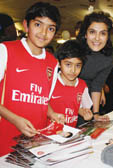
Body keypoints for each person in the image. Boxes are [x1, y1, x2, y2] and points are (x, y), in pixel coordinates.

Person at [0, 2, 65, 156]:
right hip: (5, 136)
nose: (43, 33)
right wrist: (15, 119)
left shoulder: (53, 63)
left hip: (35, 141)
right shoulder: (6, 50)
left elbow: (43, 100)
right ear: (26, 25)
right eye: (38, 24)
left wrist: (52, 114)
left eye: (50, 28)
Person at [77, 11, 113, 121]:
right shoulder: (73, 50)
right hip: (62, 98)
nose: (97, 38)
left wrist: (96, 113)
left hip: (86, 101)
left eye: (103, 33)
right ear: (85, 34)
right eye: (92, 32)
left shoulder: (109, 58)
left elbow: (97, 85)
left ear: (108, 36)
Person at [50, 40, 93, 128]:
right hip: (49, 133)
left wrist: (85, 113)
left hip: (70, 133)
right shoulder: (51, 82)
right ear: (58, 63)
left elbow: (79, 108)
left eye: (78, 65)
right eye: (68, 64)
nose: (73, 70)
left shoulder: (82, 85)